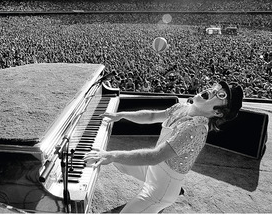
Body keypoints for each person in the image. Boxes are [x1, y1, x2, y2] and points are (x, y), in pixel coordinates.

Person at [84, 81, 244, 213]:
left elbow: (155, 156)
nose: (213, 90)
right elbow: (152, 116)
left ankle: (169, 195)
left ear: (219, 113)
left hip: (160, 190)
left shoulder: (195, 128)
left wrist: (110, 155)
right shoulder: (183, 108)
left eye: (221, 95)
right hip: (153, 171)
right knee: (120, 162)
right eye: (216, 87)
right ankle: (175, 189)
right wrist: (122, 115)